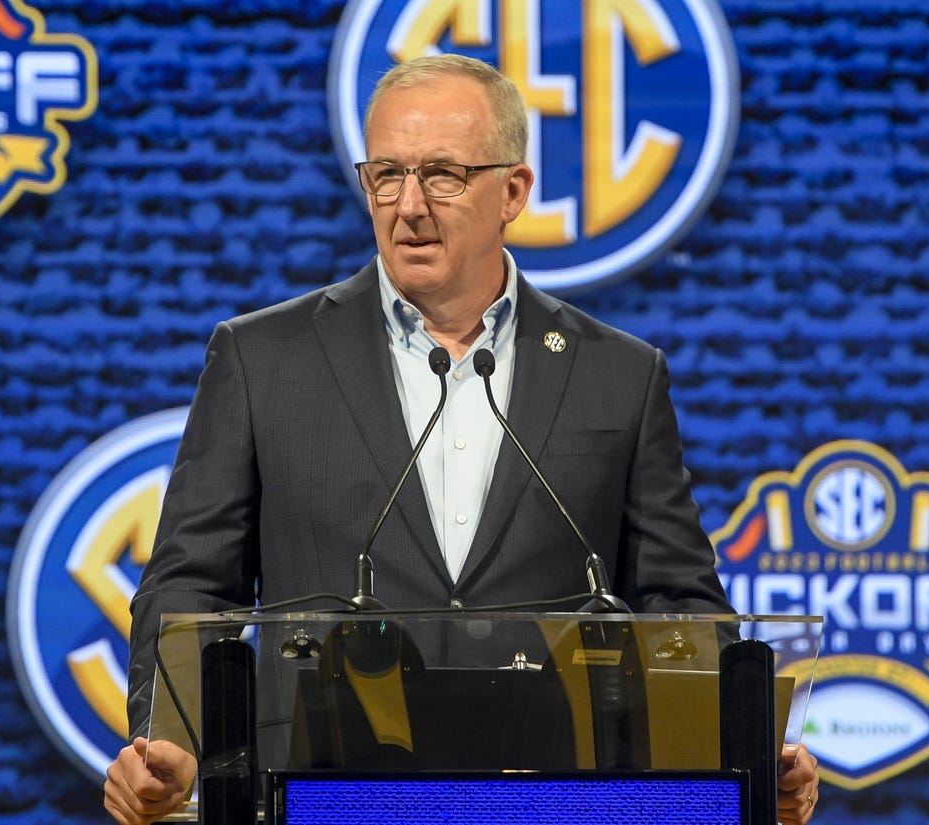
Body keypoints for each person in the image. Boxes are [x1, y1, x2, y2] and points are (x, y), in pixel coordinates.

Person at [104, 54, 819, 825]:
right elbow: (189, 584)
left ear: (513, 191)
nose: (408, 205)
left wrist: (741, 750)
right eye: (386, 175)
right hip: (318, 794)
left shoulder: (619, 374)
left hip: (557, 801)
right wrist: (164, 739)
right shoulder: (259, 359)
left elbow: (681, 608)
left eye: (442, 174)